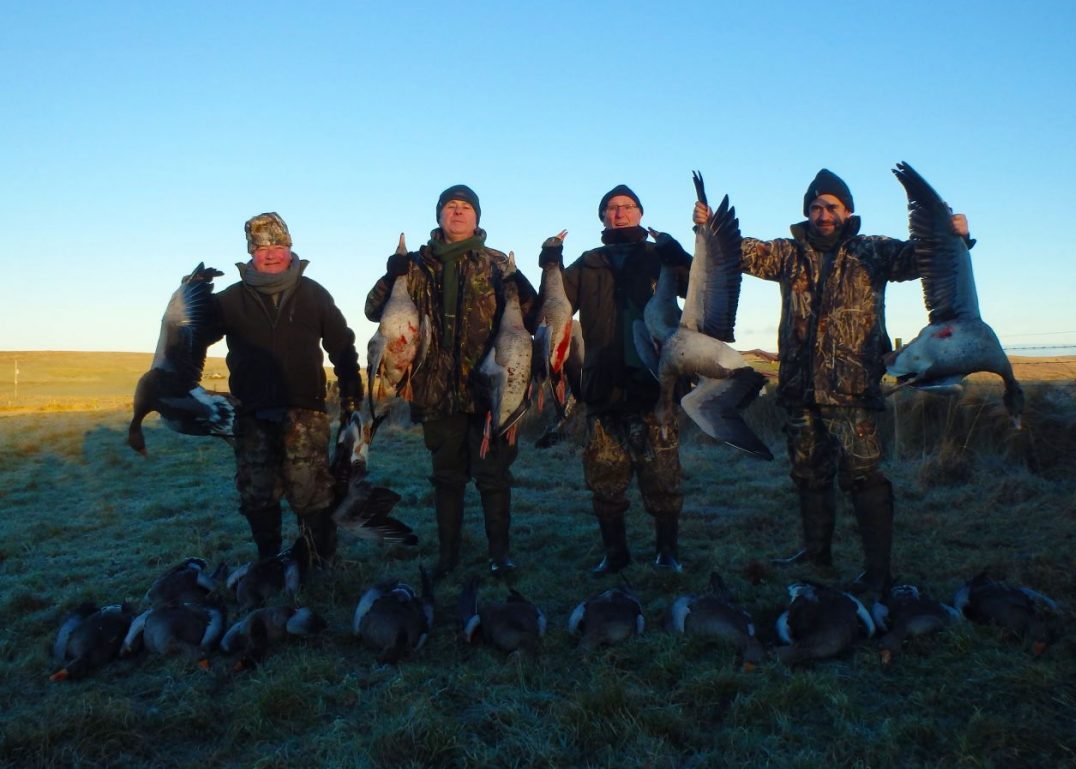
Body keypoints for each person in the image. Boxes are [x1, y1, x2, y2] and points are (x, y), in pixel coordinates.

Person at [693, 169, 971, 594]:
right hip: (800, 391)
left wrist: (957, 236)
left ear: (848, 212)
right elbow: (737, 251)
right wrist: (708, 225)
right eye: (816, 207)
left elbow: (924, 257)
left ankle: (877, 571)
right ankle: (816, 554)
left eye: (832, 207)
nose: (823, 215)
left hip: (853, 391)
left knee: (864, 477)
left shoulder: (874, 250)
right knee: (808, 474)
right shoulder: (787, 253)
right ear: (807, 211)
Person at [364, 185, 537, 580]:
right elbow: (373, 310)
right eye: (451, 207)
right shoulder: (414, 265)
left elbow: (532, 314)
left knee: (494, 475)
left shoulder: (498, 264)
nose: (458, 213)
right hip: (436, 392)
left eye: (466, 207)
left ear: (477, 217)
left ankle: (500, 556)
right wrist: (391, 275)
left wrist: (523, 286)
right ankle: (448, 557)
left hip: (490, 392)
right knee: (447, 478)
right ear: (440, 214)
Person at [539, 184, 692, 576]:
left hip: (656, 388)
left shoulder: (659, 256)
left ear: (640, 213)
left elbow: (698, 290)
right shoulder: (589, 263)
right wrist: (550, 266)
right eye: (611, 207)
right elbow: (553, 309)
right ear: (603, 217)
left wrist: (680, 258)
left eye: (627, 206)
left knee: (663, 478)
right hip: (602, 387)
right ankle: (615, 554)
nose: (619, 213)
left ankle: (668, 552)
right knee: (604, 479)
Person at [209, 212, 363, 569]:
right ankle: (270, 562)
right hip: (251, 411)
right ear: (251, 253)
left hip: (304, 411)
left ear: (290, 248)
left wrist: (351, 392)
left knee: (311, 490)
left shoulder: (313, 294)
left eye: (278, 246)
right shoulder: (229, 300)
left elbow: (341, 345)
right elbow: (193, 339)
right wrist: (190, 303)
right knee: (257, 491)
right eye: (262, 249)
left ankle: (320, 561)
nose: (271, 255)